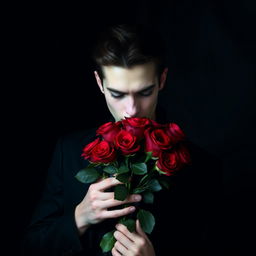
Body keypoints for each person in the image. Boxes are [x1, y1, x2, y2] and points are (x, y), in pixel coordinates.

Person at [21, 24, 222, 256]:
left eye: (144, 92)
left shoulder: (203, 168)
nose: (132, 110)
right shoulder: (69, 151)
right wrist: (79, 218)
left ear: (162, 80)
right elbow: (29, 247)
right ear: (99, 84)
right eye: (117, 94)